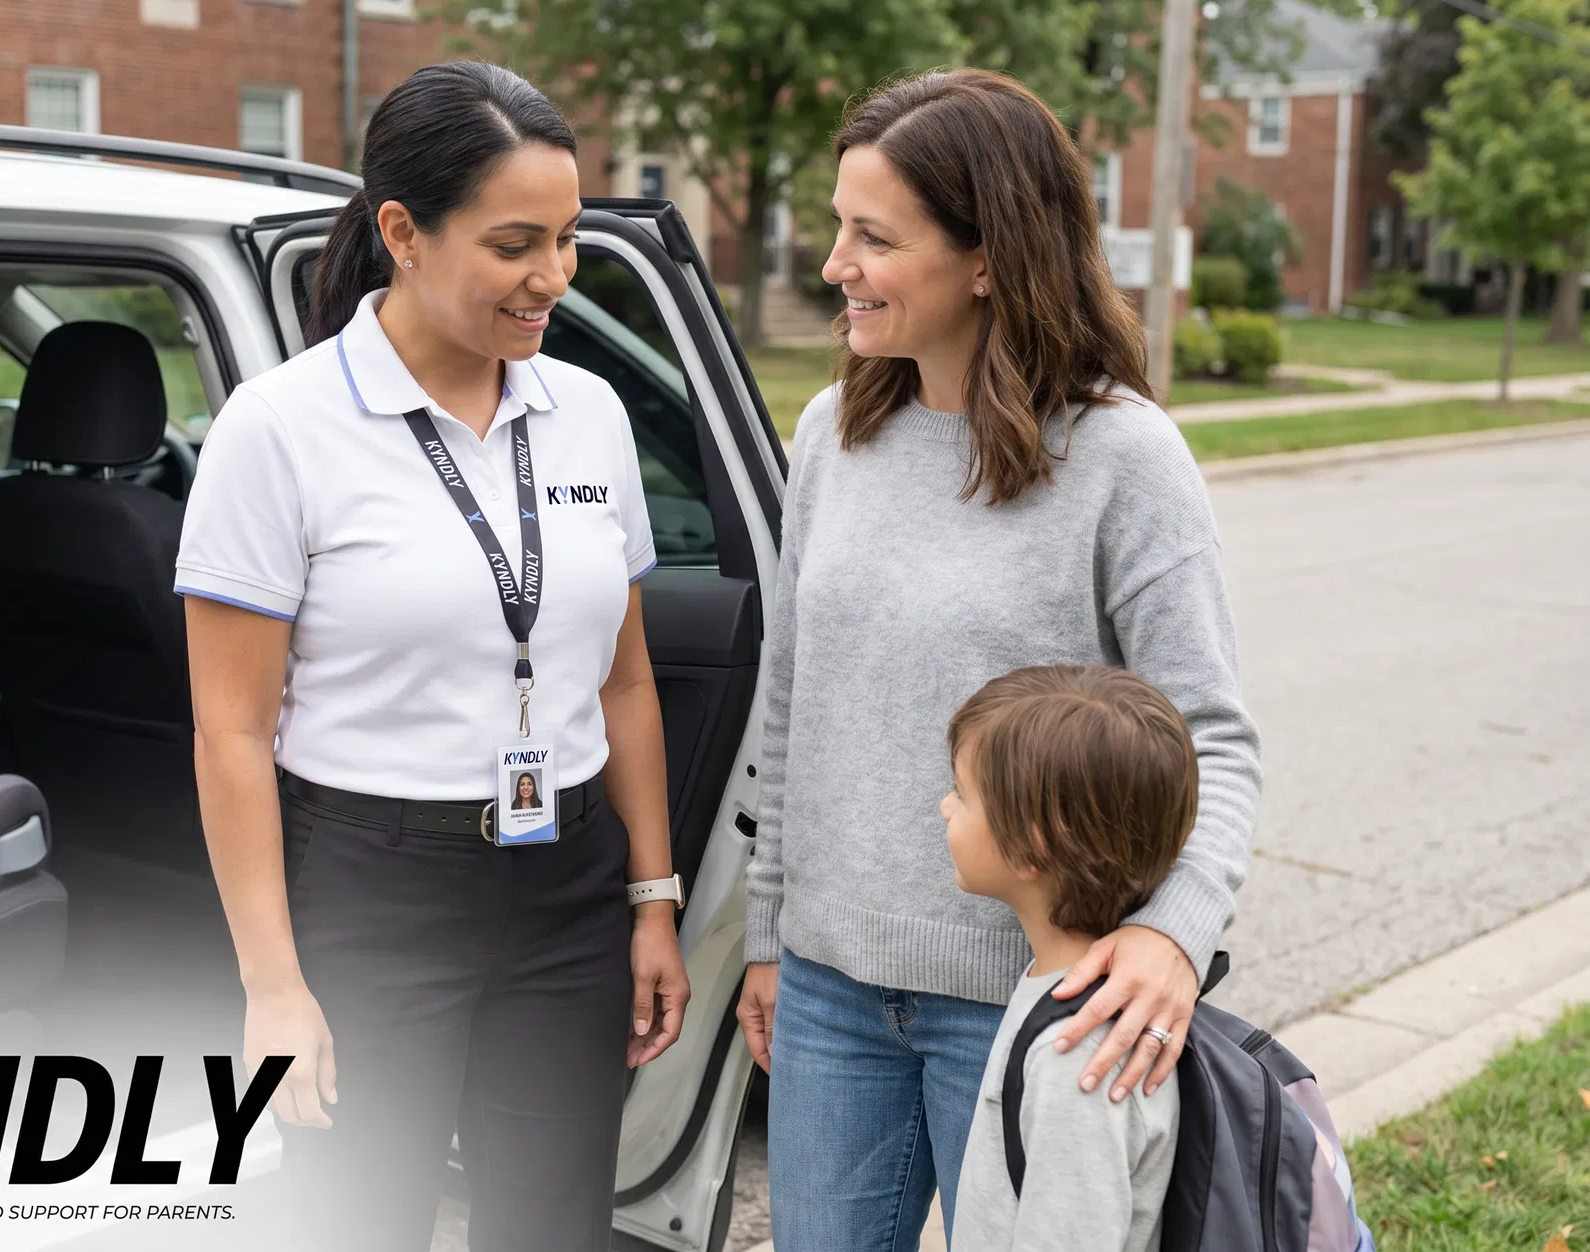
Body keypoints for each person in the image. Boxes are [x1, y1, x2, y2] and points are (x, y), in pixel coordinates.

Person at [737, 67, 1262, 1249]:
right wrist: (769, 934)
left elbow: (1213, 734)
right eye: (838, 226)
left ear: (988, 257)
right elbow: (793, 705)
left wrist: (1174, 933)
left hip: (1043, 1005)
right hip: (829, 991)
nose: (835, 264)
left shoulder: (1125, 457)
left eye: (874, 237)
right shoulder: (832, 435)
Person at [176, 61, 691, 1252]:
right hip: (371, 886)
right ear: (402, 232)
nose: (552, 276)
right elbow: (232, 733)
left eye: (566, 239)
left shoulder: (589, 412)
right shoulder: (282, 427)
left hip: (566, 883)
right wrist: (273, 986)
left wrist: (651, 900)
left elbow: (623, 681)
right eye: (516, 243)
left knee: (553, 1227)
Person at [941, 664, 1197, 1252]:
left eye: (961, 793)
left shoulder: (1076, 1056)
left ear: (1030, 844)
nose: (945, 809)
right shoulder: (1060, 988)